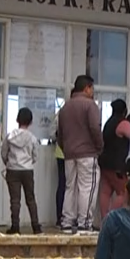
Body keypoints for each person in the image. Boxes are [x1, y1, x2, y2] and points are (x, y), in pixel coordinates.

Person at [58, 75, 103, 235]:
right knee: (87, 188)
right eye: (92, 89)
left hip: (69, 154)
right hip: (88, 153)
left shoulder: (65, 107)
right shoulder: (90, 105)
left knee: (70, 188)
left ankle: (66, 222)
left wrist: (66, 148)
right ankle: (85, 224)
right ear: (87, 88)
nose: (93, 92)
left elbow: (60, 134)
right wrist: (99, 147)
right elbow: (95, 128)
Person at [0, 107, 41, 235]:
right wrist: (28, 162)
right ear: (30, 122)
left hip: (12, 170)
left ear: (17, 119)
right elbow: (35, 156)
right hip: (28, 170)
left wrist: (8, 162)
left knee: (15, 200)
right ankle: (36, 226)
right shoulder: (32, 138)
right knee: (31, 199)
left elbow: (3, 153)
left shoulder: (10, 136)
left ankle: (15, 227)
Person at [98, 98, 130, 220]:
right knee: (124, 192)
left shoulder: (108, 123)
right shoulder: (123, 123)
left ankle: (104, 219)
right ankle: (110, 219)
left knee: (105, 192)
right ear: (124, 110)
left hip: (105, 162)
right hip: (117, 165)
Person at [54, 88, 76, 227]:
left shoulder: (62, 112)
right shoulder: (79, 112)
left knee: (65, 185)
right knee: (71, 186)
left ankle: (62, 218)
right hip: (70, 153)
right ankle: (68, 218)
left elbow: (54, 132)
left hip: (62, 152)